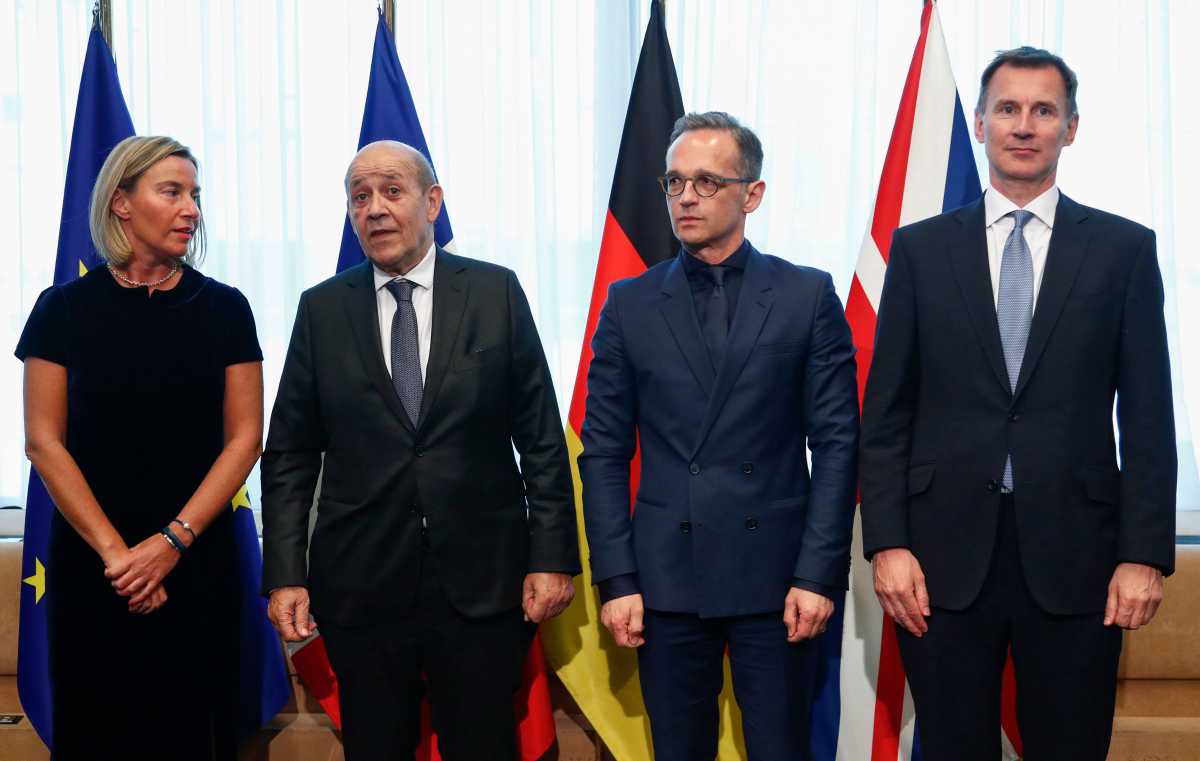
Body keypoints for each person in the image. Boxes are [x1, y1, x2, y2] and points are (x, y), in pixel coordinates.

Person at [860, 47, 1176, 761]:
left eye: (1044, 110)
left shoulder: (1124, 251)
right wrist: (887, 542)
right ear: (979, 123)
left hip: (1079, 561)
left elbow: (1150, 419)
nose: (1024, 125)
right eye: (1007, 108)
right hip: (940, 561)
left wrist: (1143, 555)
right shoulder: (918, 251)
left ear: (1071, 128)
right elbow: (886, 417)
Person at [261, 140, 579, 761]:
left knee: (485, 746)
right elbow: (291, 454)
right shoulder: (321, 309)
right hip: (361, 582)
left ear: (432, 202)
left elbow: (540, 438)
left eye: (392, 191)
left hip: (483, 582)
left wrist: (552, 556)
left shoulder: (495, 293)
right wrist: (285, 574)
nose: (374, 208)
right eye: (359, 197)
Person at [580, 112, 860, 761]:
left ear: (751, 194)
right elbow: (603, 452)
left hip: (779, 581)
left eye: (706, 182)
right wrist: (617, 578)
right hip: (665, 581)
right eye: (675, 182)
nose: (685, 196)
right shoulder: (629, 304)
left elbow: (839, 443)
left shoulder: (806, 295)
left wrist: (818, 574)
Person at [17, 135, 264, 760]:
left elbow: (245, 439)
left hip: (197, 564)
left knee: (194, 738)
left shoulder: (226, 309)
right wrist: (123, 560)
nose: (191, 211)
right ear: (122, 203)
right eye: (172, 192)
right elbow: (43, 442)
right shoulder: (61, 310)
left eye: (195, 196)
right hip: (95, 570)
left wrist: (170, 544)